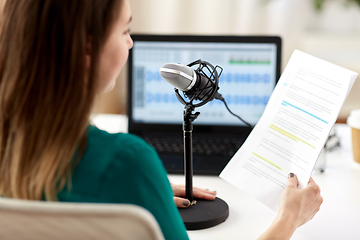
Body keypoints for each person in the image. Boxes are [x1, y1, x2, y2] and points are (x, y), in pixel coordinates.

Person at [0, 0, 322, 239]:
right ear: (87, 47)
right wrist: (288, 218)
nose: (131, 42)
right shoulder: (129, 162)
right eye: (125, 30)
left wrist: (143, 190)